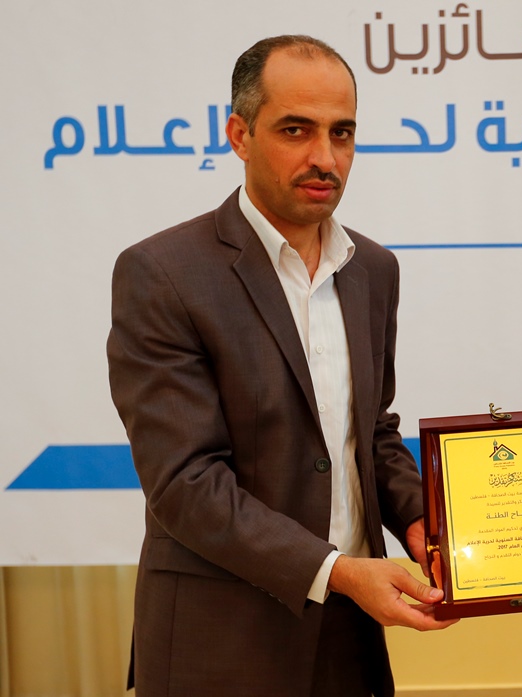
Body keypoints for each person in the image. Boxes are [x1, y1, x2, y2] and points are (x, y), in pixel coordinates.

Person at [106, 35, 455, 697]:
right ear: (239, 135)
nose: (325, 157)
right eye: (296, 130)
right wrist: (340, 571)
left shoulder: (373, 269)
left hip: (351, 637)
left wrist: (421, 520)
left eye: (342, 132)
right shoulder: (163, 274)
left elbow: (371, 433)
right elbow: (184, 483)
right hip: (222, 643)